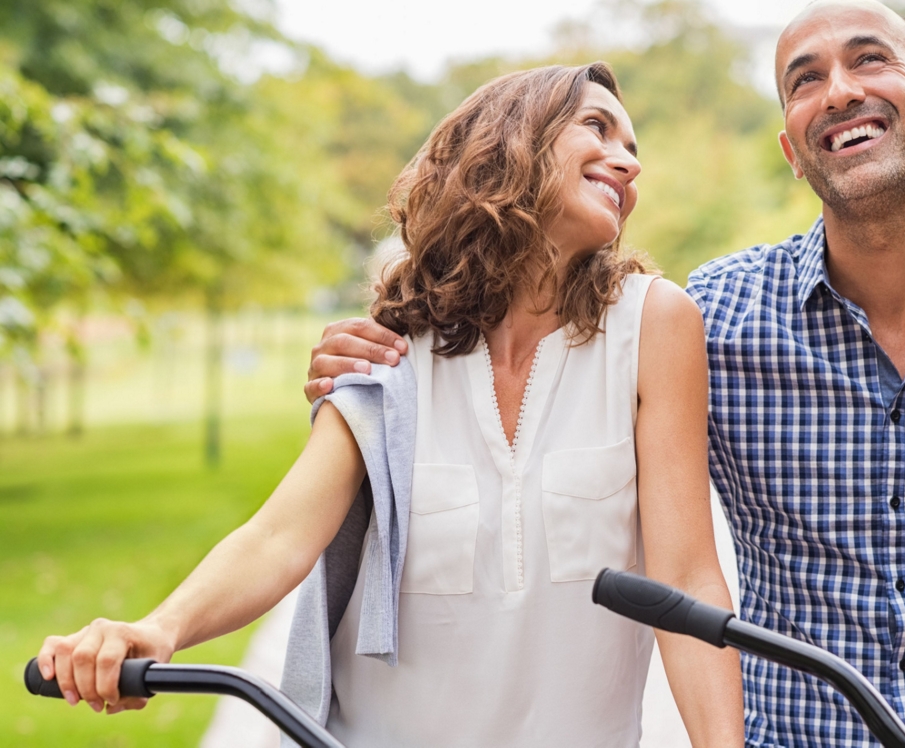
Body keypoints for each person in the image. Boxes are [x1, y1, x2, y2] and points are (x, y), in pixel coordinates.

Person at [309, 3, 905, 747]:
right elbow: (549, 403)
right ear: (792, 146)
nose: (840, 90)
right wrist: (381, 365)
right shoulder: (715, 318)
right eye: (804, 79)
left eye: (869, 60)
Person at [37, 62, 744, 748]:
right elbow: (282, 536)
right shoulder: (390, 348)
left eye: (633, 147)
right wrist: (159, 629)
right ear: (511, 142)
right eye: (597, 128)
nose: (628, 162)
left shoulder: (654, 324)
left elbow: (685, 577)